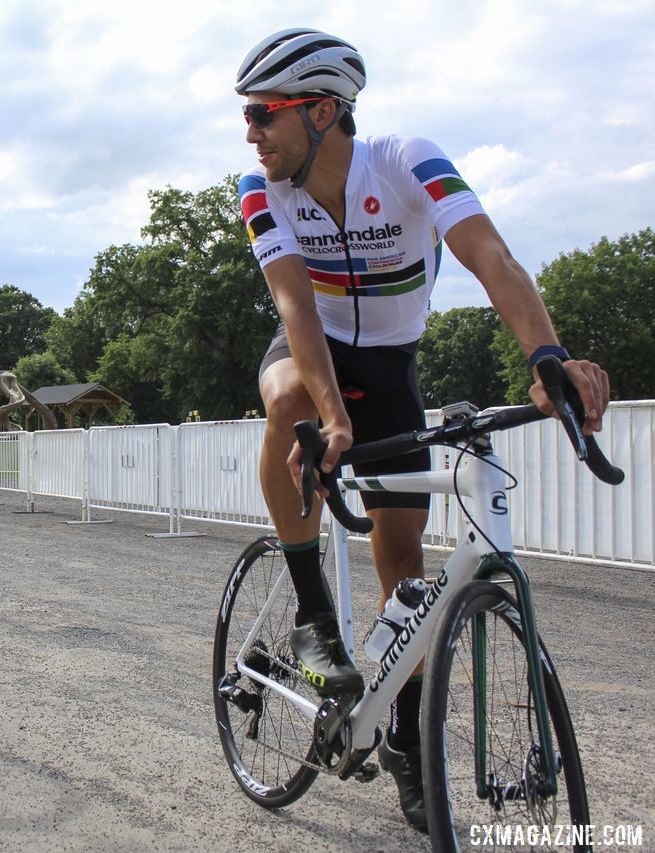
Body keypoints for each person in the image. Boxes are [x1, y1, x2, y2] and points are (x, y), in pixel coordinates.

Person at [234, 29, 609, 833]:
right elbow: (297, 307)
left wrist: (548, 357)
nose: (251, 131)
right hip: (313, 351)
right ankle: (311, 615)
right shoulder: (260, 190)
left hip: (393, 367)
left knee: (404, 572)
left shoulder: (406, 161)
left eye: (265, 113)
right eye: (248, 116)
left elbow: (492, 256)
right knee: (288, 403)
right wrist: (332, 417)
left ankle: (405, 738)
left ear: (324, 111)